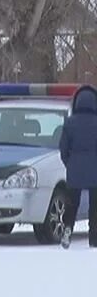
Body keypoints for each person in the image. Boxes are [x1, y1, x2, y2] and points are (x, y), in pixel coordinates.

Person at [59, 84, 97, 249]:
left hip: (74, 168)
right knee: (94, 206)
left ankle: (67, 228)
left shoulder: (69, 122)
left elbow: (63, 148)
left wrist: (70, 163)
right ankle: (94, 236)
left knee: (71, 203)